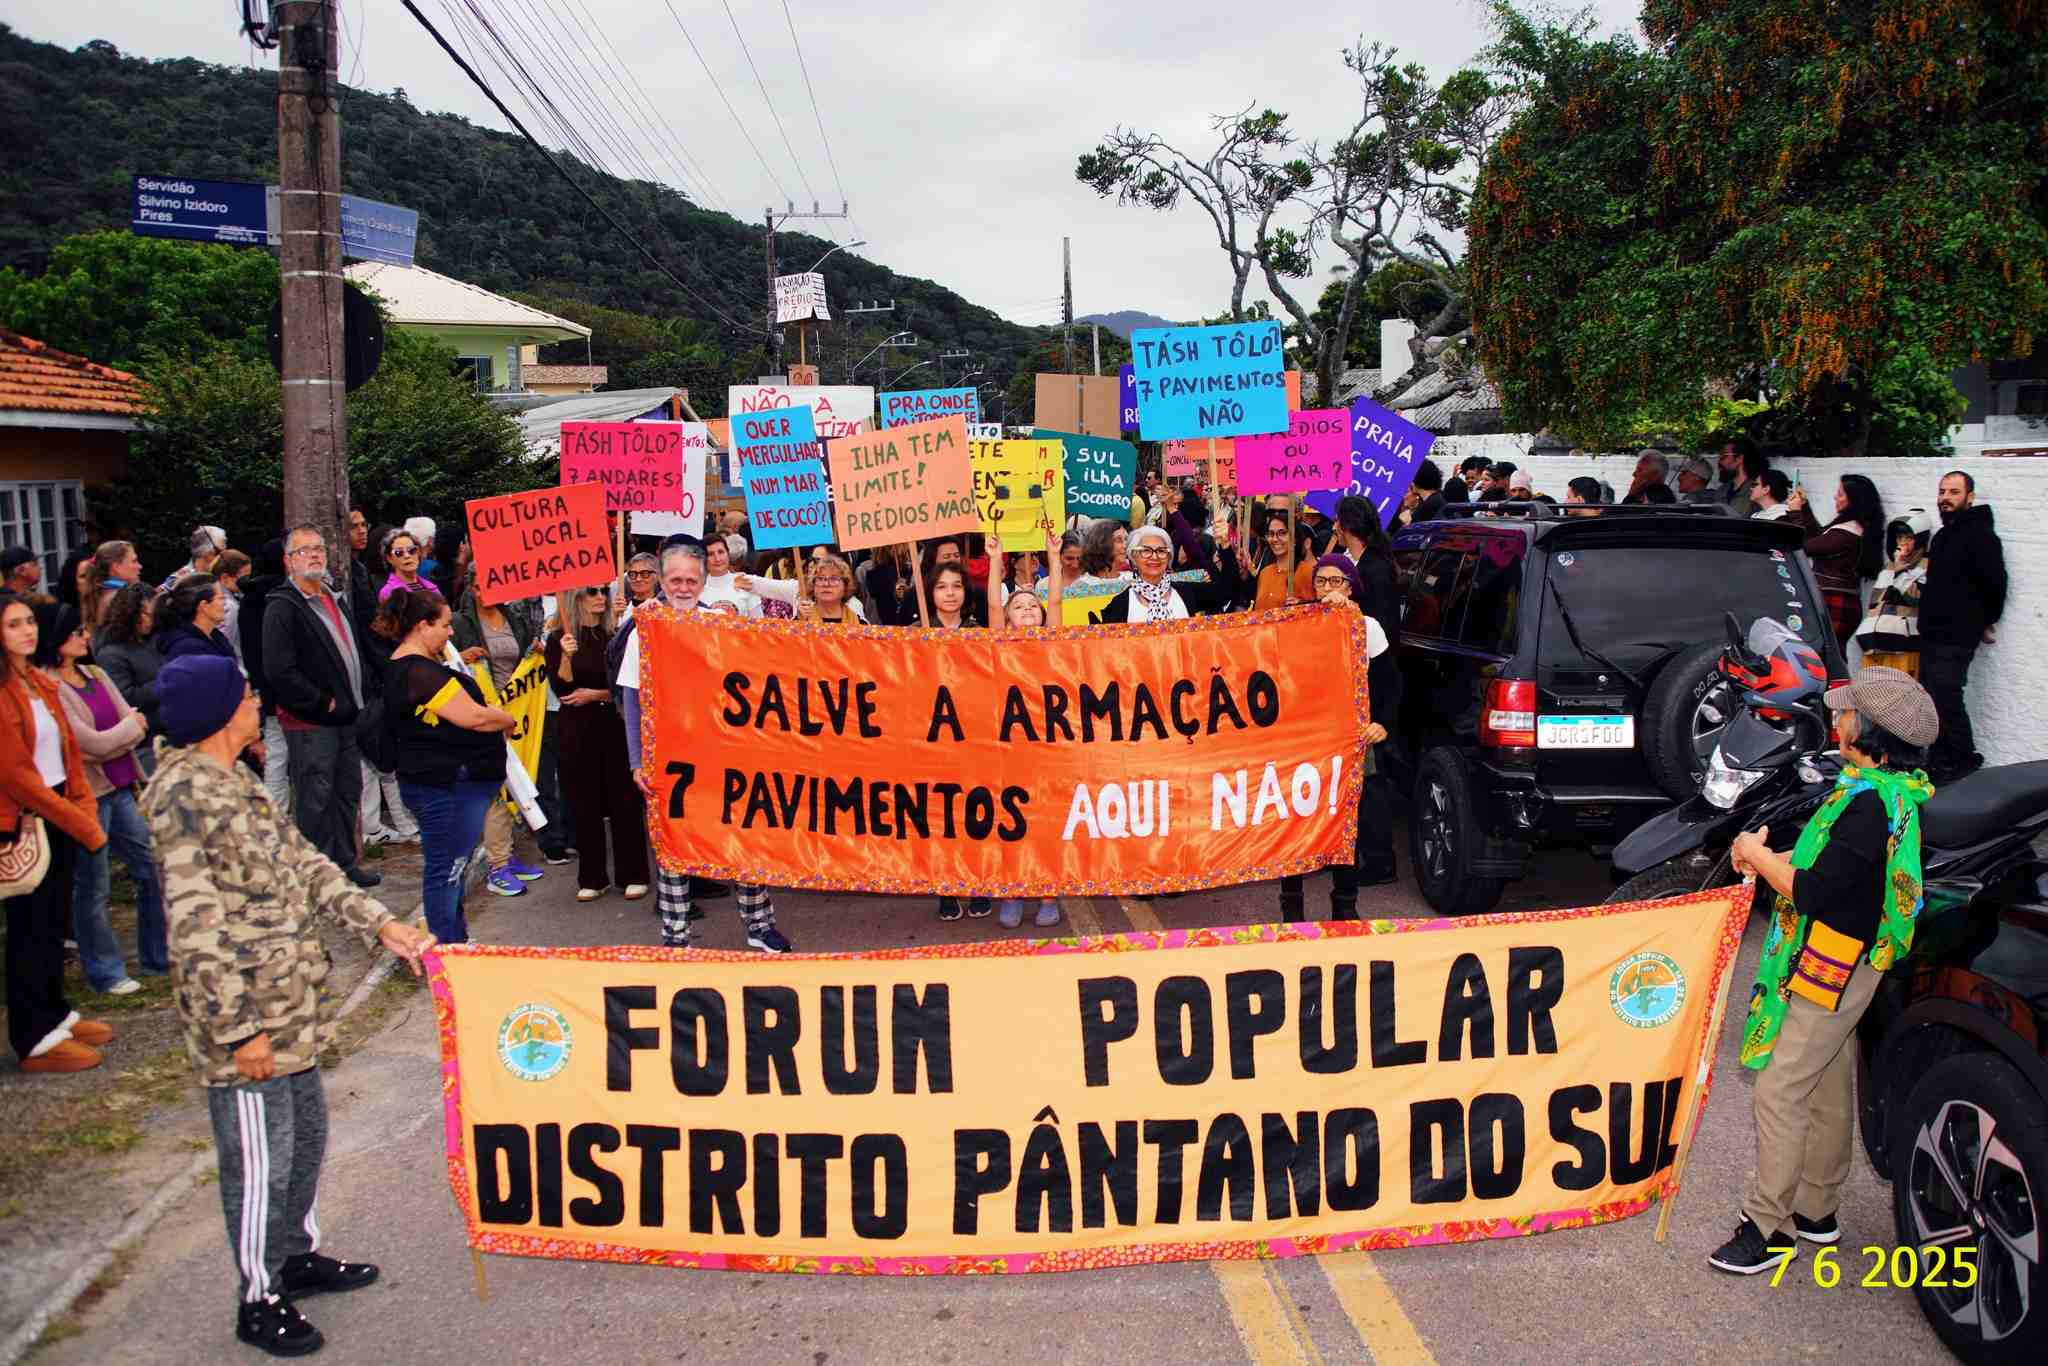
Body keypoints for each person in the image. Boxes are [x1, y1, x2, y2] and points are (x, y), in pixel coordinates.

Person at [140, 653, 432, 1356]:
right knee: (259, 1163)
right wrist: (239, 1031)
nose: (257, 705)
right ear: (218, 713)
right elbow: (195, 927)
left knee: (304, 1139)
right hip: (246, 1019)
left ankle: (294, 1256)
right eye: (246, 696)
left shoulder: (235, 780)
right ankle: (258, 1296)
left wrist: (380, 924)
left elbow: (305, 863)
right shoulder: (184, 797)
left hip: (290, 1005)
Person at [1711, 667, 1935, 1275]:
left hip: (1834, 963)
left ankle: (1768, 1228)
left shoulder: (1868, 805)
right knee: (1828, 1078)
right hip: (1847, 959)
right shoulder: (1882, 792)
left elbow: (1812, 892)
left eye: (1847, 713)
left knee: (1780, 1089)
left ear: (1869, 732)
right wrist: (1768, 858)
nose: (1838, 720)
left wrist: (1757, 855)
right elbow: (1835, 868)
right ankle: (1816, 1210)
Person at [618, 545, 789, 950]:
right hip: (670, 758)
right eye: (675, 580)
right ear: (662, 582)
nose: (683, 587)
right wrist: (637, 761)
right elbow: (631, 698)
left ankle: (759, 925)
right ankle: (676, 936)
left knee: (743, 838)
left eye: (691, 580)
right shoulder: (645, 629)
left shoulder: (721, 625)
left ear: (702, 582)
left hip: (725, 755)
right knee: (673, 844)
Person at [0, 590, 110, 1072]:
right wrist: (80, 820)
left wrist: (81, 805)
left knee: (54, 920)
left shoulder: (38, 683)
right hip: (27, 818)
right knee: (30, 928)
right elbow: (17, 776)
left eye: (29, 621)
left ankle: (55, 1014)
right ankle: (33, 1038)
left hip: (61, 807)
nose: (27, 630)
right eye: (13, 624)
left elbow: (68, 754)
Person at [377, 587, 514, 943]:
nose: (451, 632)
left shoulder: (417, 666)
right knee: (447, 869)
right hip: (442, 787)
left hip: (444, 784)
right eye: (445, 625)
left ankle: (455, 939)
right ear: (422, 626)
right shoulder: (417, 671)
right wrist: (505, 719)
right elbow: (474, 718)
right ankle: (444, 949)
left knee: (452, 867)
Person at [47, 603, 163, 996]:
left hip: (120, 786)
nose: (85, 637)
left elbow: (131, 722)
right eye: (76, 632)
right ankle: (106, 972)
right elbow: (90, 744)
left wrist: (122, 732)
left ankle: (157, 957)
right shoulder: (51, 688)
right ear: (57, 640)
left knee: (151, 866)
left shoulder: (95, 674)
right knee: (94, 886)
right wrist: (126, 731)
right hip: (88, 796)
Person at [263, 524, 378, 888]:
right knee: (315, 800)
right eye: (304, 550)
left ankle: (344, 865)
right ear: (288, 561)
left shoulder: (332, 596)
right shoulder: (282, 606)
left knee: (346, 794)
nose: (314, 555)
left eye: (319, 549)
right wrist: (321, 702)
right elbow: (279, 671)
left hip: (347, 717)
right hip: (312, 723)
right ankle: (316, 878)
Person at [1278, 555, 1392, 921]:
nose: (1328, 588)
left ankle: (1345, 904)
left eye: (1337, 580)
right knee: (1295, 822)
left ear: (1351, 586)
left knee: (1346, 822)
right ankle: (1292, 905)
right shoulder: (1298, 624)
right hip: (1304, 742)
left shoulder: (1367, 627)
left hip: (1348, 742)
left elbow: (1391, 683)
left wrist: (1382, 722)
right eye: (1321, 581)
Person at [546, 585, 648, 902]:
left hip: (614, 724)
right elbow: (562, 689)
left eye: (603, 590)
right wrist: (565, 656)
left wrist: (595, 695)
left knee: (624, 800)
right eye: (592, 592)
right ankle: (592, 877)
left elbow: (628, 687)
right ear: (575, 598)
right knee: (583, 802)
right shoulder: (559, 638)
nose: (600, 596)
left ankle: (633, 874)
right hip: (576, 728)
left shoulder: (617, 636)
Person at [450, 573, 545, 898]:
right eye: (479, 586)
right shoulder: (460, 623)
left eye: (491, 584)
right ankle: (497, 867)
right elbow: (444, 661)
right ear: (471, 589)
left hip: (516, 713)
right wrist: (461, 657)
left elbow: (524, 657)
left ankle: (505, 855)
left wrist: (535, 651)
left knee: (514, 786)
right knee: (495, 790)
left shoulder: (514, 617)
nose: (486, 591)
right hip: (484, 714)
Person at [1919, 470, 2005, 784]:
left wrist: (1985, 621)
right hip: (1932, 632)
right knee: (1932, 696)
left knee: (1946, 694)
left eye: (1954, 492)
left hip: (1957, 634)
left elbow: (1995, 584)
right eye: (1942, 491)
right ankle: (1940, 758)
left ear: (1970, 497)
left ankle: (1965, 757)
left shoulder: (1980, 535)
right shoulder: (1943, 536)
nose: (1945, 498)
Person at [1789, 473, 1886, 650]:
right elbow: (1818, 538)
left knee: (1824, 655)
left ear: (1854, 500)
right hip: (1840, 602)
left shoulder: (1846, 534)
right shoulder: (1852, 528)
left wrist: (1795, 513)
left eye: (1840, 494)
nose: (1835, 497)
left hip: (1835, 603)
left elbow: (1805, 547)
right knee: (1829, 654)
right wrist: (1804, 507)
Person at [236, 539, 293, 811]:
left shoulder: (249, 598)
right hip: (286, 687)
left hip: (263, 685)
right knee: (283, 754)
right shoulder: (281, 597)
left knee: (276, 753)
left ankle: (275, 812)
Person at [1854, 512, 1932, 676]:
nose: (1903, 543)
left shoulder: (1926, 566)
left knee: (1900, 690)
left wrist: (1900, 571)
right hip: (1874, 645)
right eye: (1899, 537)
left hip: (1902, 647)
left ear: (1920, 539)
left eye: (1909, 538)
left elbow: (1915, 599)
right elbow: (1875, 605)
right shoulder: (1888, 567)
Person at [94, 584, 166, 748]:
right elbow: (125, 699)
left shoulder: (156, 638)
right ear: (131, 614)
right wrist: (166, 681)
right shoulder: (111, 653)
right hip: (147, 740)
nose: (154, 620)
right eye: (149, 615)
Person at [157, 577, 239, 663]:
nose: (225, 603)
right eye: (221, 598)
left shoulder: (214, 635)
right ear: (204, 605)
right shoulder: (188, 649)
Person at [1244, 511, 1312, 609]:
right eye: (1271, 534)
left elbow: (1317, 611)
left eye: (1282, 533)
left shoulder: (1307, 572)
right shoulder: (1264, 573)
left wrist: (1300, 606)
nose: (1275, 539)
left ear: (1294, 538)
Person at [376, 528, 437, 603]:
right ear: (389, 558)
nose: (407, 556)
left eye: (412, 550)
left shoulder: (430, 586)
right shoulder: (389, 592)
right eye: (399, 552)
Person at [212, 549, 253, 661]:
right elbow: (224, 644)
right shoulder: (229, 607)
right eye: (245, 577)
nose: (249, 581)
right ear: (225, 578)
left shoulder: (214, 598)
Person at [162, 525, 227, 591]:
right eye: (218, 552)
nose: (222, 556)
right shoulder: (177, 580)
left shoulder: (222, 577)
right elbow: (158, 596)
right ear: (204, 550)